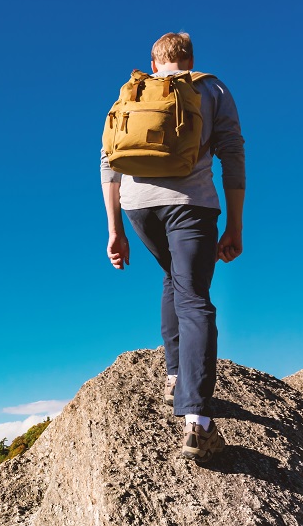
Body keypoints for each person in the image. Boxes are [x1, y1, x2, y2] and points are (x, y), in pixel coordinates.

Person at [100, 32, 246, 462]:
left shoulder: (131, 92)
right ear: (189, 58)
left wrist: (114, 230)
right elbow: (232, 155)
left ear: (155, 60)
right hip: (190, 205)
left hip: (137, 208)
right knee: (195, 297)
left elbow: (108, 162)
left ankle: (174, 376)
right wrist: (235, 225)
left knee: (174, 279)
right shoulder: (211, 86)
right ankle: (197, 422)